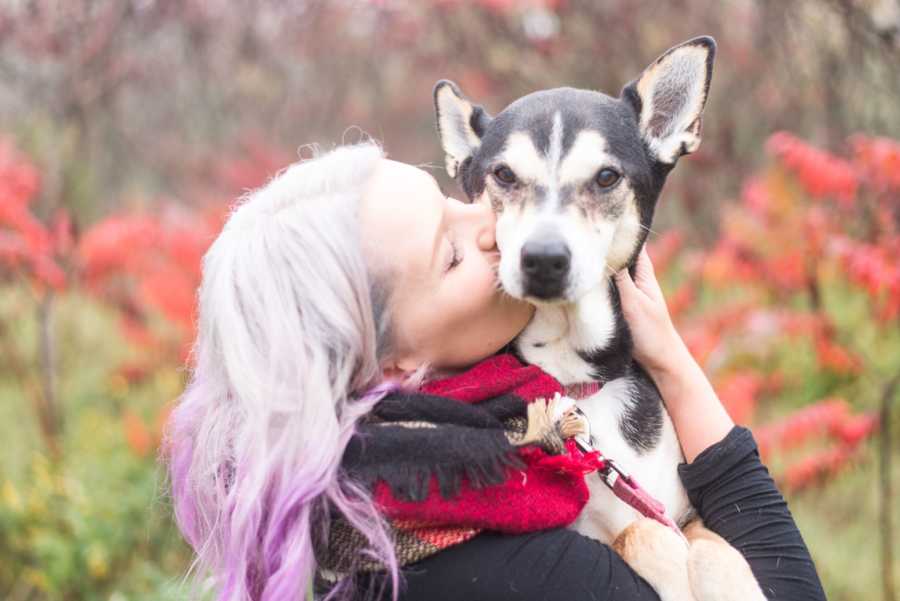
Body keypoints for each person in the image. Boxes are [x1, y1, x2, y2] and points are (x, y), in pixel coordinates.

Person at [165, 142, 826, 601]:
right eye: (451, 252)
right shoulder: (503, 566)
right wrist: (674, 363)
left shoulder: (384, 512)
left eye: (455, 201)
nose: (494, 222)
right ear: (393, 363)